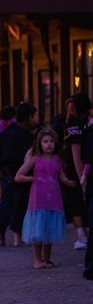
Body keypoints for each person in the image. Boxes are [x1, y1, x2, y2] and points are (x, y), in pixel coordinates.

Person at [16, 128, 76, 268]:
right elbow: (18, 176)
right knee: (38, 229)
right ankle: (37, 260)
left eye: (51, 141)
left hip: (54, 198)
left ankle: (47, 259)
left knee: (50, 229)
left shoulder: (57, 159)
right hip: (38, 199)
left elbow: (61, 176)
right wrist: (32, 178)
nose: (49, 144)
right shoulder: (34, 159)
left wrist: (68, 182)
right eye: (45, 141)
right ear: (39, 143)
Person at [0, 102, 38, 247]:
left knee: (16, 205)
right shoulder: (12, 135)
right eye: (35, 116)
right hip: (12, 176)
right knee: (12, 205)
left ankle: (10, 236)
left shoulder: (31, 133)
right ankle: (6, 236)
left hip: (21, 176)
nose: (37, 119)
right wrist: (4, 169)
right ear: (28, 117)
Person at [62, 93, 90, 250]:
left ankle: (82, 237)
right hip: (82, 169)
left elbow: (76, 155)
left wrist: (82, 179)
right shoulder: (86, 123)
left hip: (77, 171)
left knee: (76, 203)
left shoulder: (73, 127)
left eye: (71, 107)